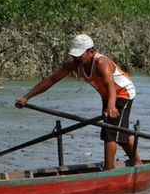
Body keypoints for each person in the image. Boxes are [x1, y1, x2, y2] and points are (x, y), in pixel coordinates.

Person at [15, 34, 140, 170]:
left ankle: (108, 170)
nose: (76, 59)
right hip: (107, 95)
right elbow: (52, 80)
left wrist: (111, 107)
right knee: (119, 130)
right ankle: (137, 163)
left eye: (79, 56)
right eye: (74, 56)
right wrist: (26, 97)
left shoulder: (101, 63)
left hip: (122, 92)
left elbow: (111, 87)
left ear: (91, 52)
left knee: (110, 132)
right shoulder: (74, 63)